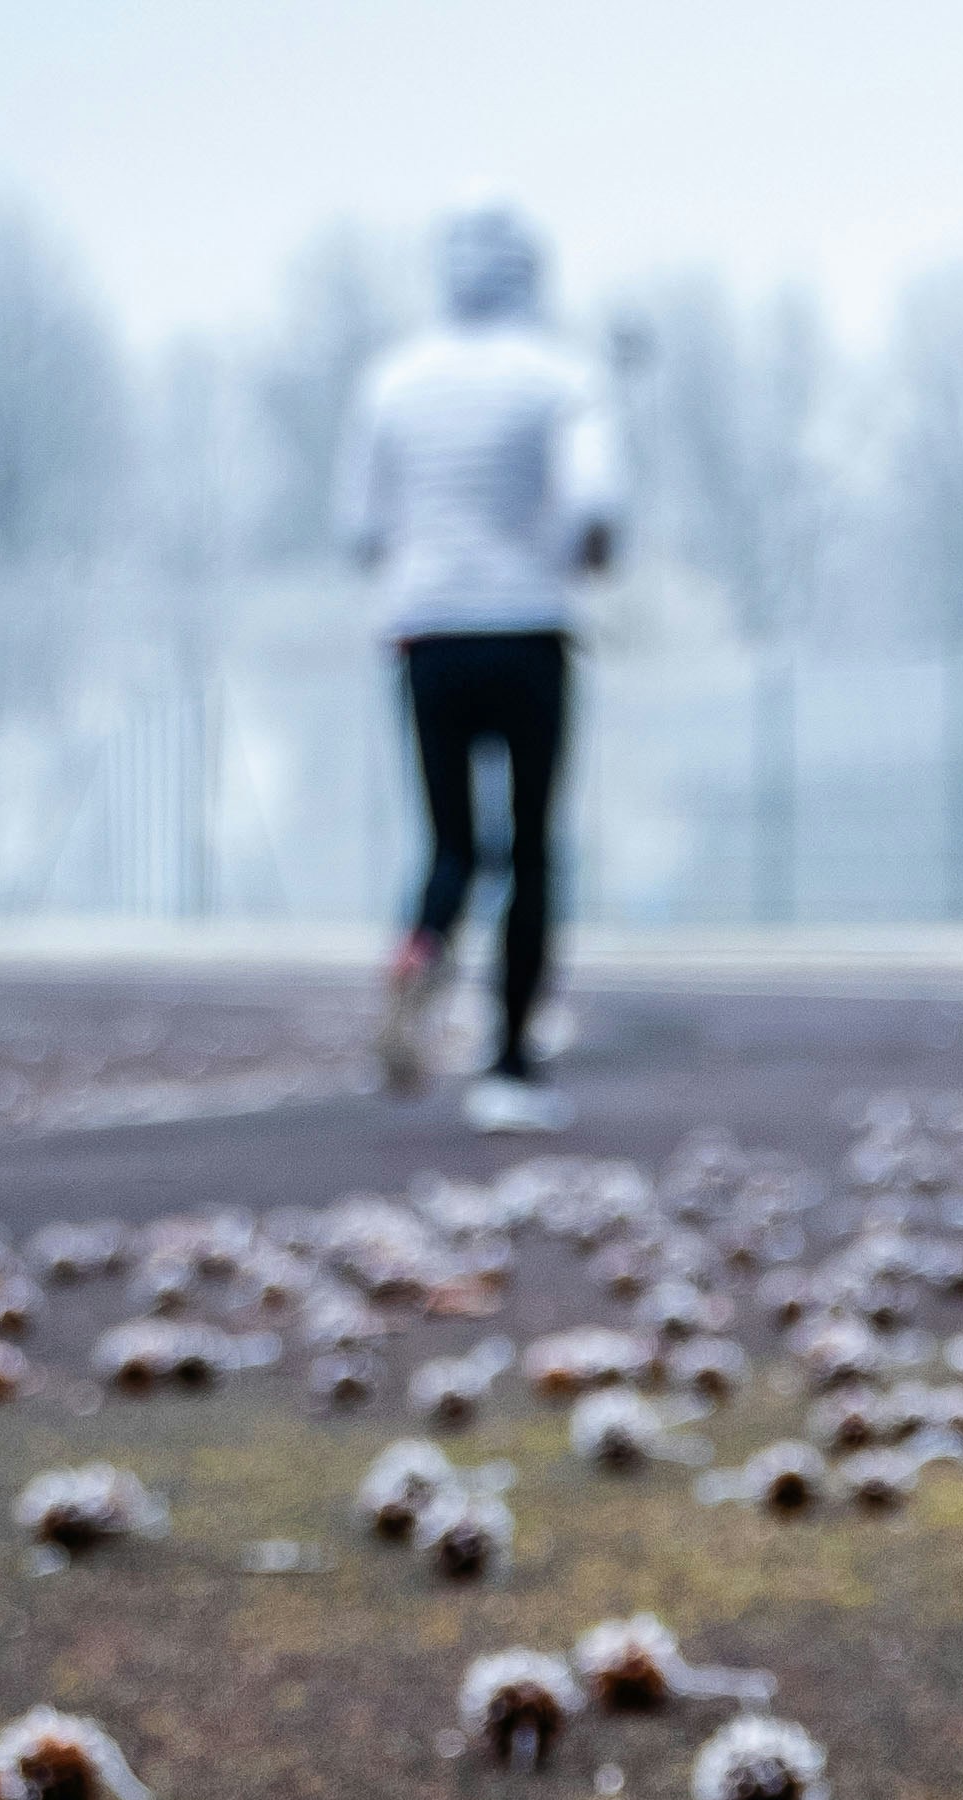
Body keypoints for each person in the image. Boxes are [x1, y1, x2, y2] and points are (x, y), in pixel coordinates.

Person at [337, 206, 622, 1133]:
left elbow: (359, 527)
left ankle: (419, 953)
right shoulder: (561, 378)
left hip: (427, 634)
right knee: (532, 845)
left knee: (451, 843)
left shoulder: (392, 383)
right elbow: (596, 501)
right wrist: (583, 553)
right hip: (530, 628)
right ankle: (509, 1066)